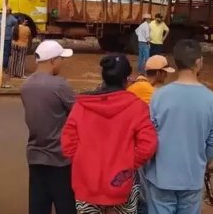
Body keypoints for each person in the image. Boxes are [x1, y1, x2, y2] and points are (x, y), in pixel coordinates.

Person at [61, 54, 158, 214]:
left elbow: (67, 144)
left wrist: (82, 163)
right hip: (122, 184)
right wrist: (129, 164)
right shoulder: (136, 107)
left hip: (87, 185)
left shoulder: (82, 106)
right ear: (126, 79)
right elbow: (148, 145)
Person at [144, 39, 213, 214]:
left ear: (176, 63)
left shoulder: (159, 97)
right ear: (198, 62)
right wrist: (201, 162)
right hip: (192, 177)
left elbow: (149, 136)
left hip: (160, 177)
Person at [20, 40, 76, 214]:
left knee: (38, 206)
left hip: (35, 155)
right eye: (60, 59)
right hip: (60, 158)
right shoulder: (59, 85)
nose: (62, 63)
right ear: (53, 61)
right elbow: (77, 112)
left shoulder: (26, 86)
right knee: (66, 205)